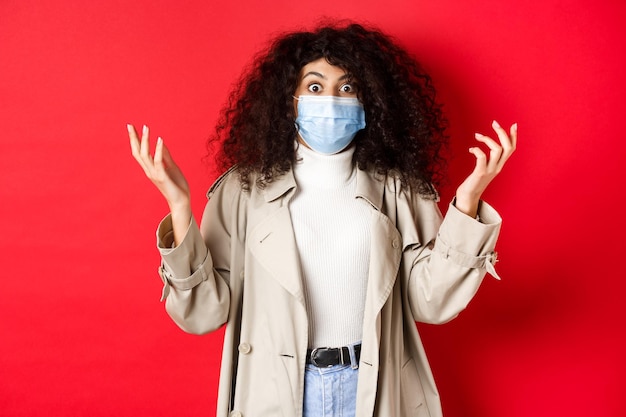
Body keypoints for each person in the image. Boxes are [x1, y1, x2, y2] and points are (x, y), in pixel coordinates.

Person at [128, 22, 516, 417]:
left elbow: (431, 303)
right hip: (277, 392)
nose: (331, 100)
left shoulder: (401, 191)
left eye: (347, 88)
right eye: (314, 87)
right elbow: (204, 313)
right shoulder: (241, 192)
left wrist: (468, 203)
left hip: (374, 387)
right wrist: (179, 206)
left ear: (370, 103)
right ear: (289, 100)